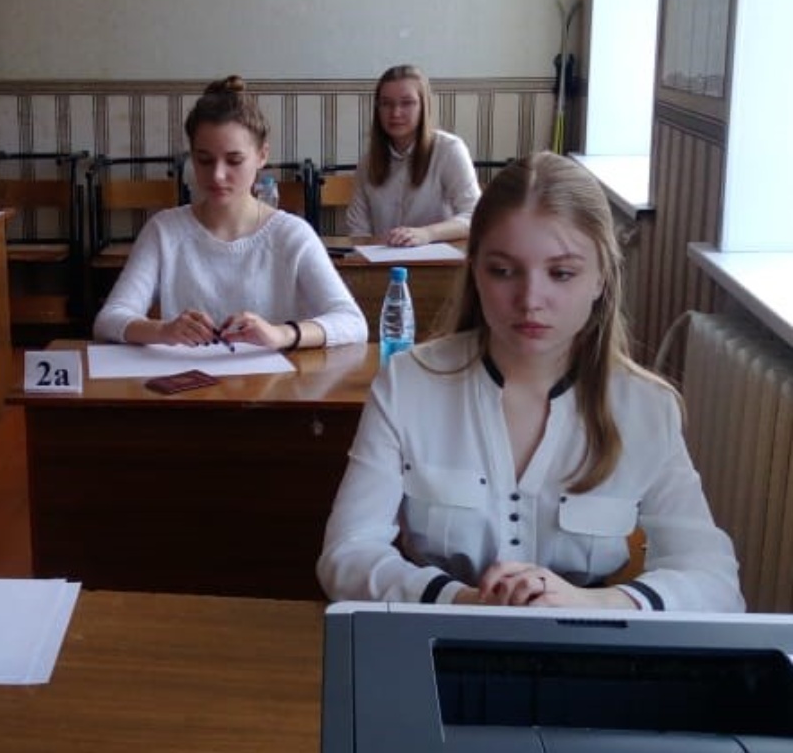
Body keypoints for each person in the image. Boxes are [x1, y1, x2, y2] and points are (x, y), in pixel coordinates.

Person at [317, 151, 742, 612]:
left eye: (562, 273)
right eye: (503, 271)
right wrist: (464, 600)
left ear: (601, 278)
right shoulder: (408, 384)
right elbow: (347, 554)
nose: (530, 299)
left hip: (587, 642)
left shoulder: (646, 406)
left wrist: (591, 604)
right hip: (439, 631)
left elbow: (715, 582)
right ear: (475, 271)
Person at [93, 75, 367, 350]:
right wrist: (163, 330)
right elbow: (109, 319)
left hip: (272, 376)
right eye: (204, 160)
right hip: (187, 376)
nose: (217, 175)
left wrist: (281, 334)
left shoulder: (291, 234)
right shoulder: (164, 230)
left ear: (262, 155)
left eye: (234, 160)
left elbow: (352, 322)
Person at [344, 64, 481, 246]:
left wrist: (427, 233)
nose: (395, 113)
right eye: (386, 104)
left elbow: (476, 216)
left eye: (407, 103)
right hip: (383, 259)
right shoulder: (367, 162)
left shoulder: (449, 149)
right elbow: (358, 232)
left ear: (423, 106)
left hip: (438, 259)